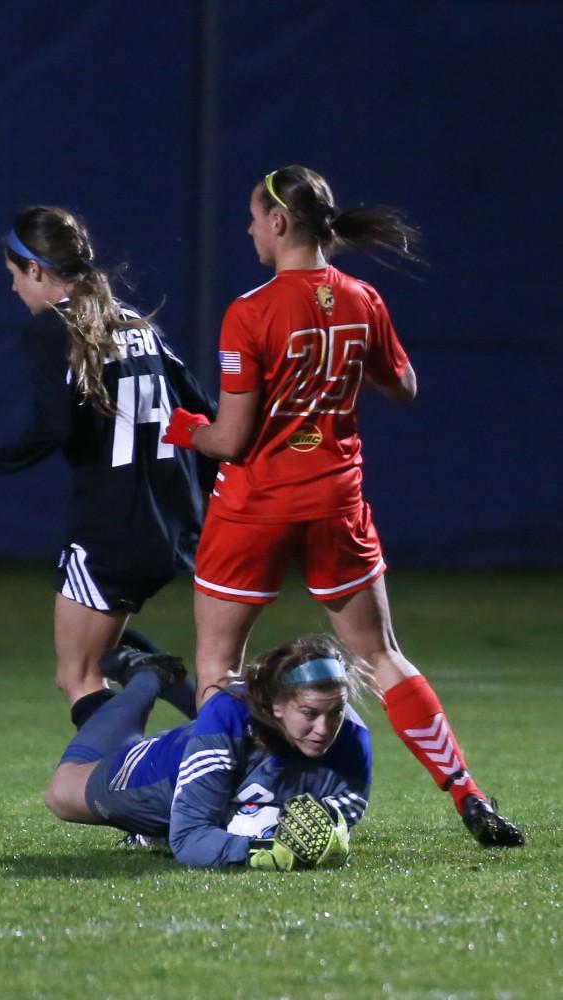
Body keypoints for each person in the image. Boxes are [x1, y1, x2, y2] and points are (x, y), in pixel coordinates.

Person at [161, 165, 524, 849]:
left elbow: (232, 438)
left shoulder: (252, 310)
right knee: (382, 657)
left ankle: (216, 817)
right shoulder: (362, 298)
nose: (246, 229)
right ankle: (467, 793)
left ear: (278, 222)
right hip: (336, 498)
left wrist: (185, 429)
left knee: (220, 670)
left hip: (256, 503)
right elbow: (405, 386)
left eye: (251, 217)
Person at [0, 205, 214, 727]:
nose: (13, 289)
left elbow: (54, 428)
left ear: (37, 270)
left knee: (78, 676)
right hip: (173, 524)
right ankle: (177, 693)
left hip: (113, 527)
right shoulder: (134, 323)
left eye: (14, 275)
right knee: (106, 651)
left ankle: (129, 785)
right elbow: (205, 412)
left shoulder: (53, 329)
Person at [44, 633, 372, 869]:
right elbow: (189, 840)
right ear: (277, 706)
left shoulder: (352, 738)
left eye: (336, 712)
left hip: (224, 765)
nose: (325, 728)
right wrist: (264, 850)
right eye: (310, 714)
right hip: (162, 777)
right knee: (61, 794)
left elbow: (342, 816)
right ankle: (148, 677)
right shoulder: (228, 717)